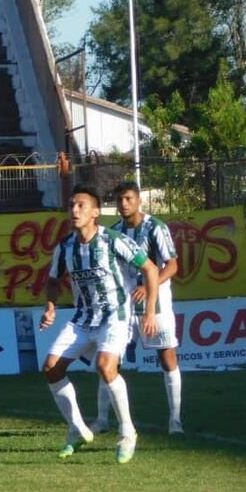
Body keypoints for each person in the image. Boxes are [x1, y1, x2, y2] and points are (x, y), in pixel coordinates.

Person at [40, 185, 159, 464]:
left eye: (81, 205)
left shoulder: (113, 240)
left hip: (115, 316)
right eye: (71, 205)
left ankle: (127, 432)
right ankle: (77, 429)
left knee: (106, 366)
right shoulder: (66, 246)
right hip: (82, 318)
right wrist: (50, 306)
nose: (74, 210)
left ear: (95, 212)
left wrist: (149, 311)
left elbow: (150, 269)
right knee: (50, 368)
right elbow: (53, 280)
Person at [91, 182, 182, 434]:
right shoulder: (114, 231)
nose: (123, 204)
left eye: (128, 198)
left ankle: (175, 421)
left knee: (167, 357)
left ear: (139, 200)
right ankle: (101, 420)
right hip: (124, 305)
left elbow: (172, 265)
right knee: (110, 360)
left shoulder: (155, 228)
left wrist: (148, 285)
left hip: (157, 302)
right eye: (119, 199)